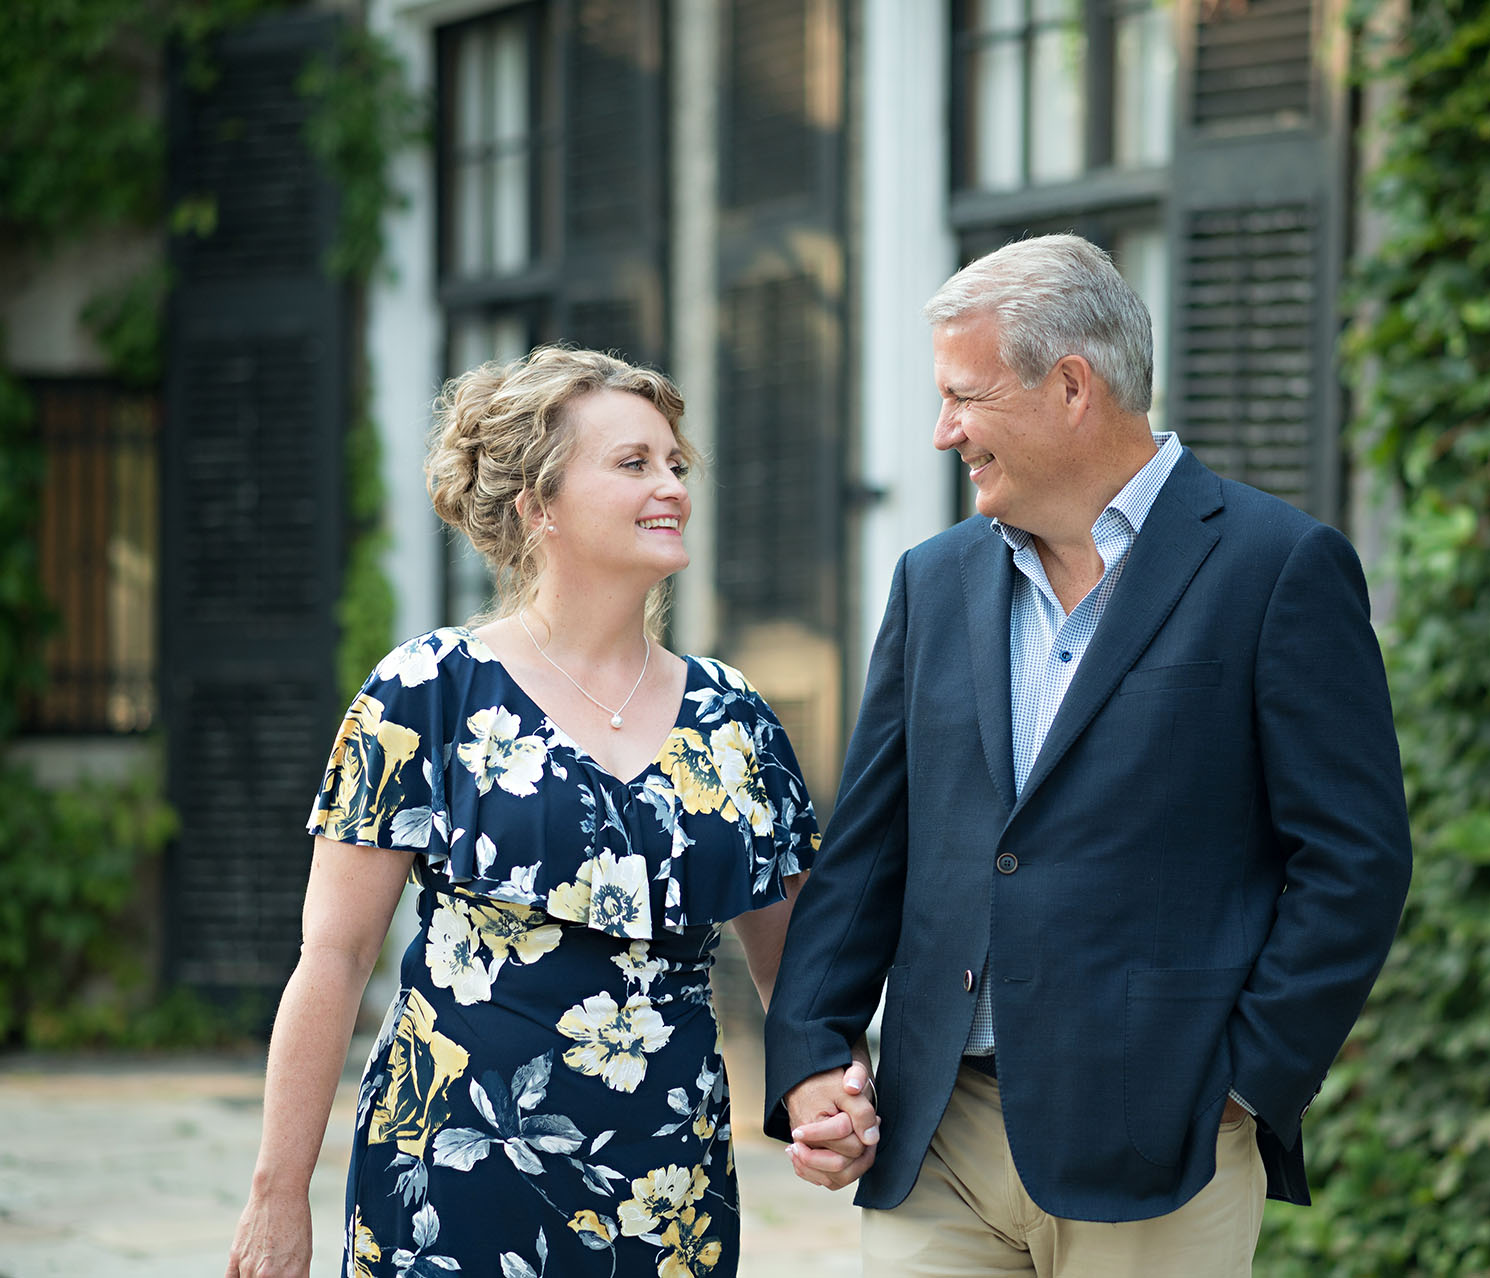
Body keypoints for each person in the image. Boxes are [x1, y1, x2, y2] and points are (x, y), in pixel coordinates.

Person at [762, 235, 1413, 1276]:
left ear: (1071, 386)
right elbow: (872, 846)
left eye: (964, 397)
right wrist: (808, 1053)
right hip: (939, 1138)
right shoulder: (934, 581)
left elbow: (1355, 858)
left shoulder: (1277, 567)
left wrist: (1245, 1085)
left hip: (1163, 1144)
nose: (943, 433)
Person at [227, 346, 840, 1278]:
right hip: (452, 1179)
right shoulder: (426, 692)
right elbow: (336, 959)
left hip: (667, 1193)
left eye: (675, 463)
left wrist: (828, 1099)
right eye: (633, 464)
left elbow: (797, 972)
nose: (671, 484)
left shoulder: (735, 717)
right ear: (538, 506)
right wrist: (277, 1198)